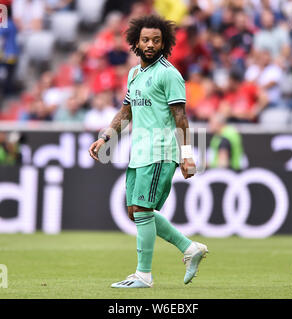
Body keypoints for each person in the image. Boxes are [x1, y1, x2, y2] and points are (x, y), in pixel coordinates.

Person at [88, 15, 208, 289]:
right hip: (139, 152)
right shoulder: (134, 74)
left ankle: (143, 275)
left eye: (156, 40)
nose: (150, 44)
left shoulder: (169, 74)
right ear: (136, 42)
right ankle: (189, 248)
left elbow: (182, 118)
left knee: (143, 208)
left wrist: (187, 155)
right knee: (134, 211)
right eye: (145, 40)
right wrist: (106, 137)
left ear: (164, 43)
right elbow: (126, 112)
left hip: (161, 151)